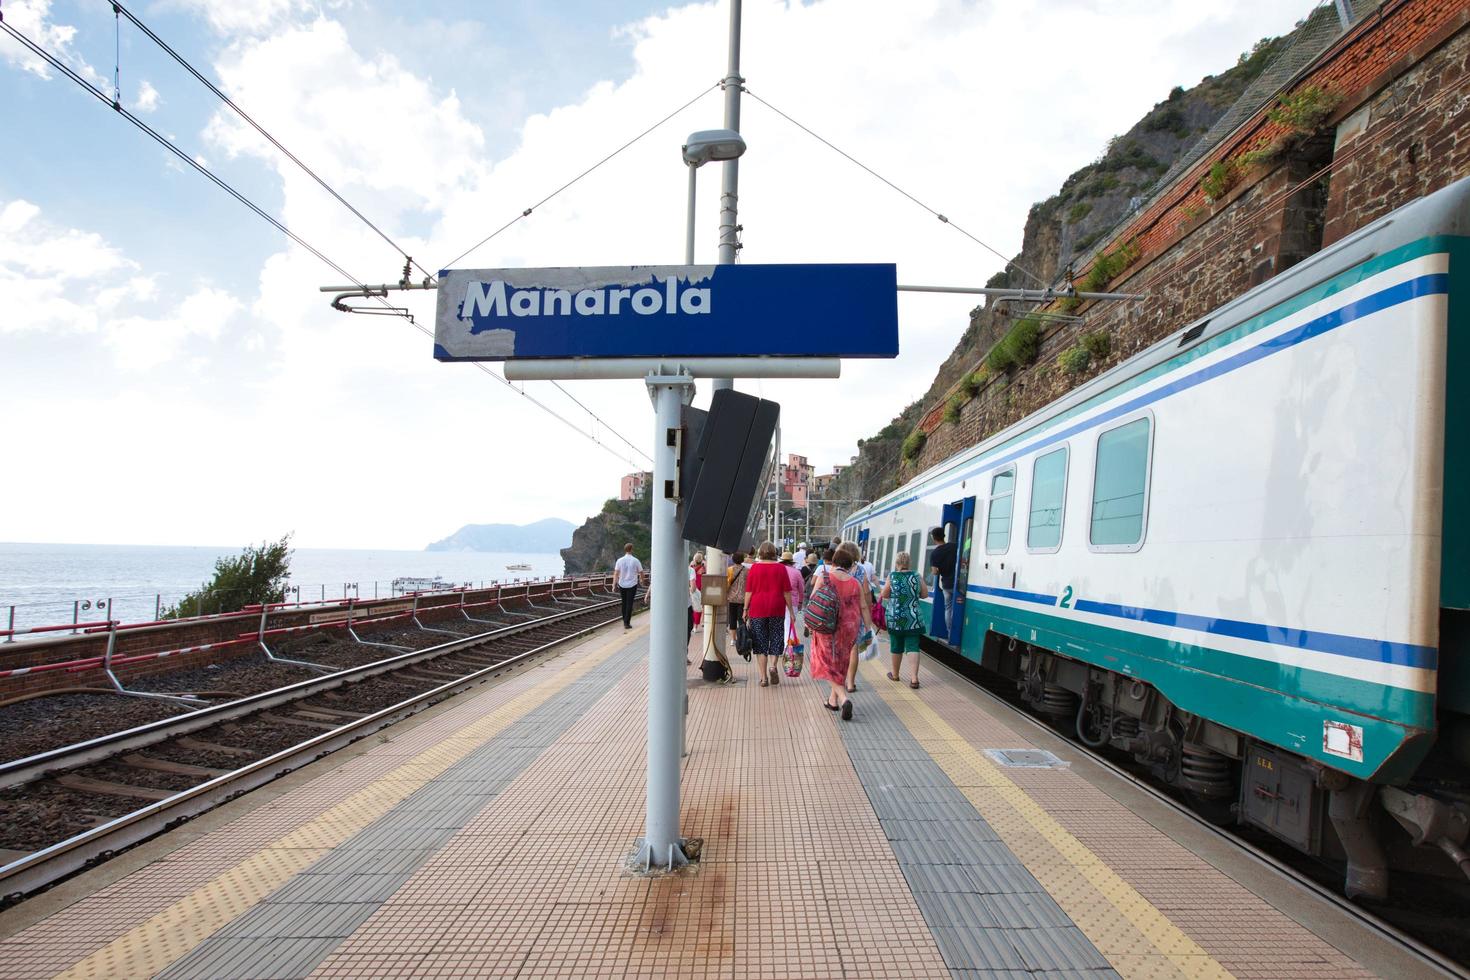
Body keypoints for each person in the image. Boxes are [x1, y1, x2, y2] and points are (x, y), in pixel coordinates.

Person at [809, 541, 872, 721]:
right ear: (850, 565)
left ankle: (844, 699)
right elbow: (864, 608)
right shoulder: (855, 582)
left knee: (825, 664)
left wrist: (808, 623)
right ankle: (832, 701)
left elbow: (813, 600)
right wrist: (868, 632)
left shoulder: (824, 576)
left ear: (834, 562)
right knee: (840, 664)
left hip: (828, 627)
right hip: (849, 629)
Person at [744, 542, 796, 687]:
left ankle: (763, 678)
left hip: (757, 608)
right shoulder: (781, 568)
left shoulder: (754, 568)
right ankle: (773, 666)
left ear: (760, 553)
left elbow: (749, 592)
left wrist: (745, 609)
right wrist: (791, 611)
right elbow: (787, 592)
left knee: (760, 643)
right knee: (776, 637)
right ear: (774, 552)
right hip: (777, 608)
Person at [880, 551, 928, 688]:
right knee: (913, 647)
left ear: (897, 564)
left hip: (895, 617)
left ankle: (895, 675)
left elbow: (884, 594)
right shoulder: (917, 576)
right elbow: (924, 594)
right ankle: (914, 679)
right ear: (909, 563)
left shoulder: (892, 576)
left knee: (896, 646)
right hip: (913, 618)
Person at [779, 550, 806, 676]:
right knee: (788, 626)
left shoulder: (778, 570)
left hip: (777, 602)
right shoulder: (796, 572)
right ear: (791, 562)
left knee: (778, 626)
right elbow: (802, 589)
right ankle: (787, 650)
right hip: (793, 603)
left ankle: (779, 649)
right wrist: (800, 602)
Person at [928, 527, 957, 638]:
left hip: (946, 585)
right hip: (958, 584)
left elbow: (935, 572)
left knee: (948, 608)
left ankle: (950, 634)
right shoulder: (954, 546)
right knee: (957, 607)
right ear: (943, 536)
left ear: (933, 538)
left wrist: (941, 569)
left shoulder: (935, 553)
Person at [614, 543, 643, 630]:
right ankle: (627, 623)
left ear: (625, 549)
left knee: (624, 602)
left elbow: (616, 573)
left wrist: (613, 584)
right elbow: (641, 572)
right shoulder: (636, 560)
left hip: (622, 584)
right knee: (629, 603)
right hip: (632, 585)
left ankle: (624, 620)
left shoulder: (619, 560)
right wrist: (642, 580)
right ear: (632, 549)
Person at [726, 551, 749, 655]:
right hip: (743, 599)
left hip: (731, 598)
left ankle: (733, 639)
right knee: (741, 619)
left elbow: (727, 583)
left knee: (732, 618)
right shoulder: (747, 571)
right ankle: (742, 638)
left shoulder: (729, 570)